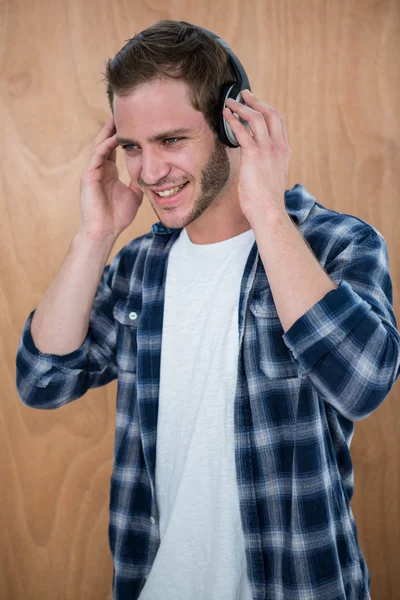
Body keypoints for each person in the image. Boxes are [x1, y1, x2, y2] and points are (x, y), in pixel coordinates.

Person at [16, 19, 400, 600]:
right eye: (132, 148)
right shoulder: (139, 267)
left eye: (170, 140)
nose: (149, 173)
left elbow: (364, 382)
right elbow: (43, 380)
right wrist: (95, 236)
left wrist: (268, 210)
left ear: (233, 125)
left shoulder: (335, 244)